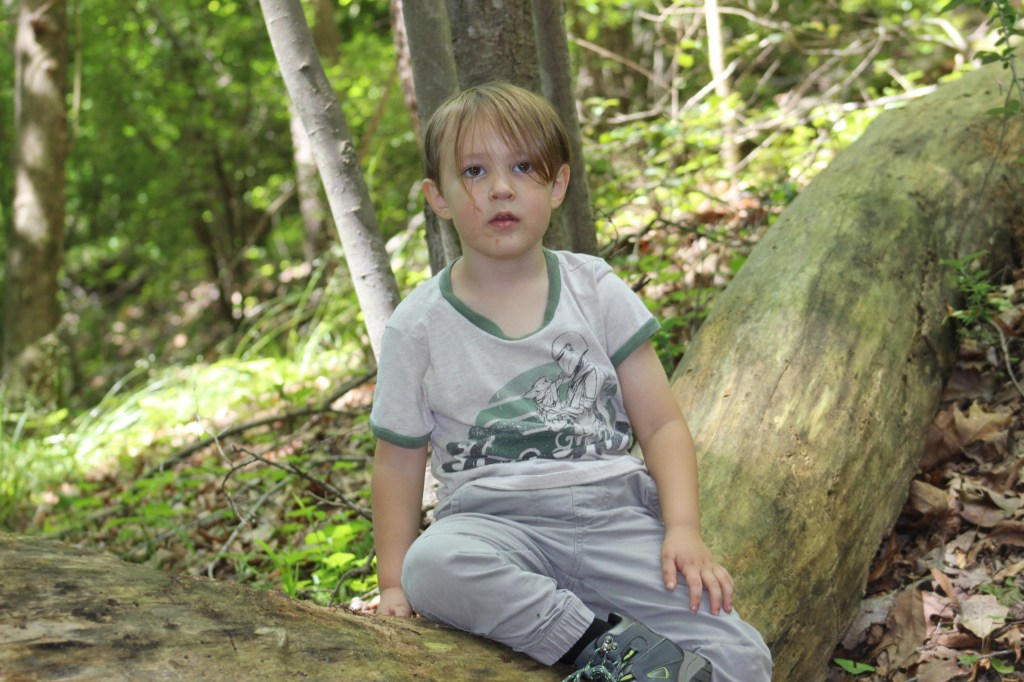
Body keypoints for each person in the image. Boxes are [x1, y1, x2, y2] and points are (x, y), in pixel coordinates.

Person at [369, 81, 772, 682]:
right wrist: (393, 584)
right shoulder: (418, 326)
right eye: (474, 171)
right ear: (439, 197)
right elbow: (397, 465)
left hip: (614, 520)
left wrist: (683, 529)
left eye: (522, 167)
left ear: (557, 185)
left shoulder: (594, 288)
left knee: (745, 660)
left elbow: (661, 423)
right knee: (431, 565)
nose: (500, 188)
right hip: (492, 525)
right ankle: (600, 648)